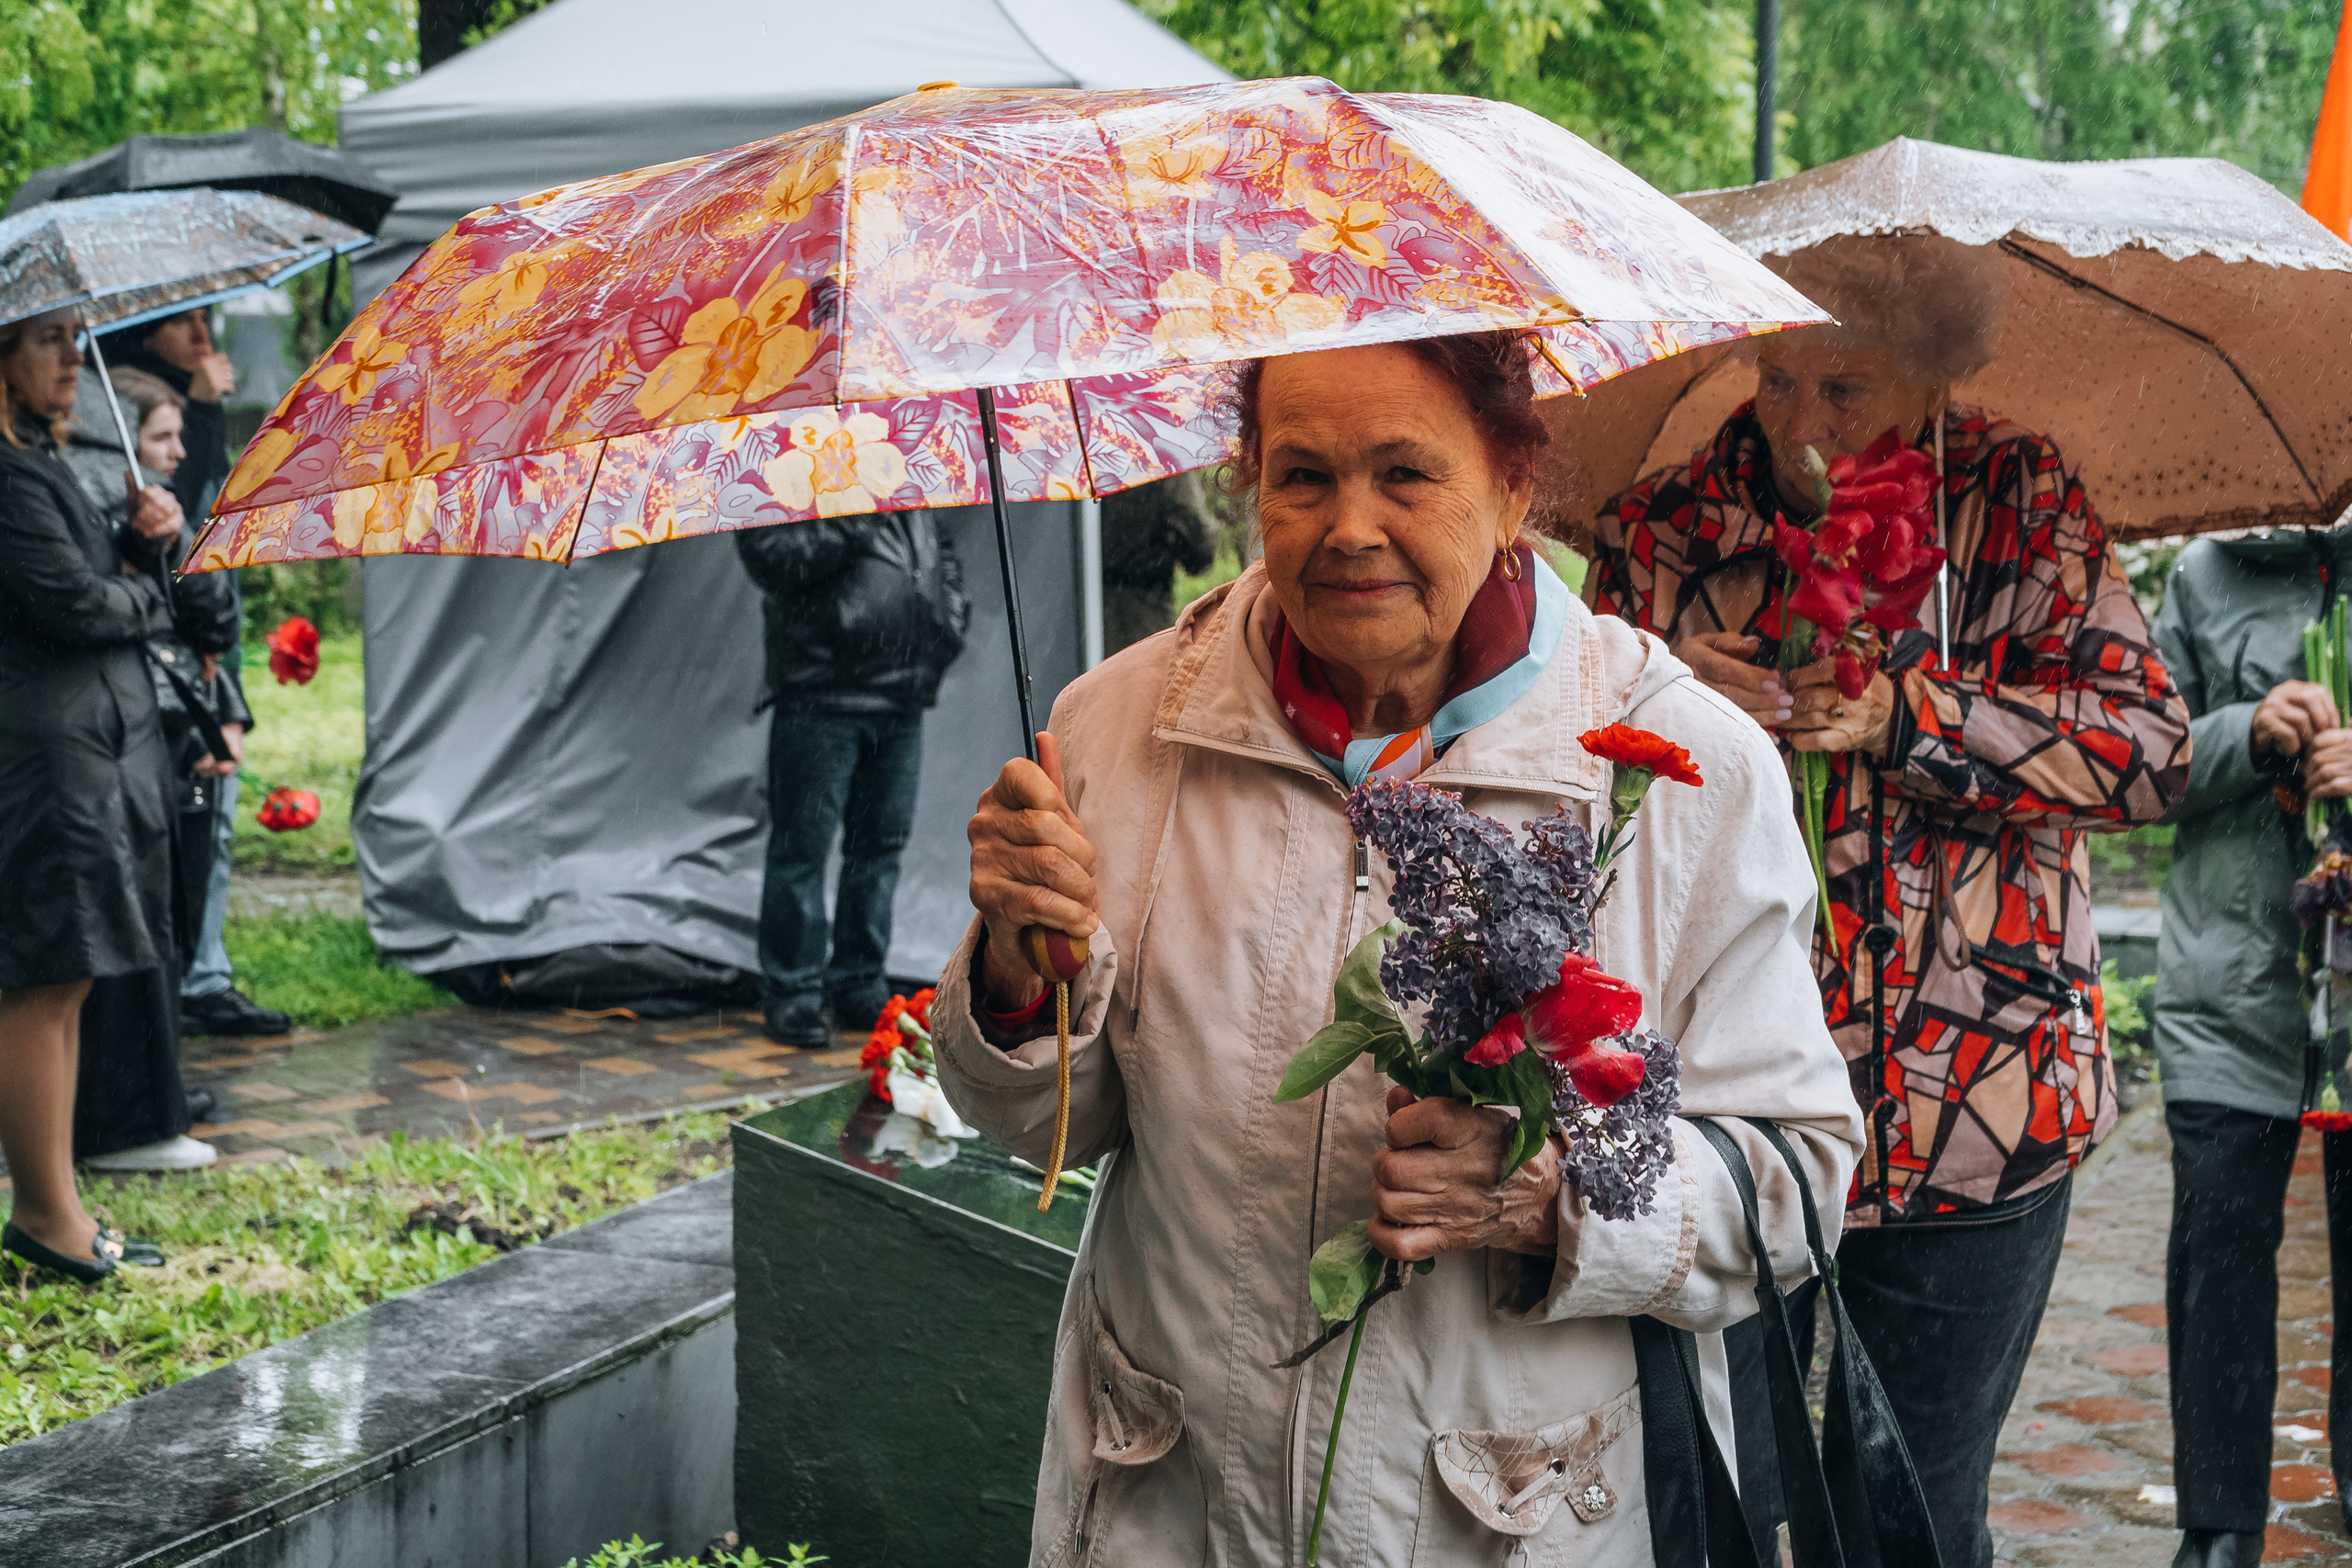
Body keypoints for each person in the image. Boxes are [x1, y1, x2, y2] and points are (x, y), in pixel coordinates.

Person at [936, 332, 1863, 1565]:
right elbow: (1054, 1122)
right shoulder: (1118, 725)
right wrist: (1012, 970)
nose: (1349, 526)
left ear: (1514, 487)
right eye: (1302, 475)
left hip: (1507, 1520)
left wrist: (1551, 1186)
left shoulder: (1686, 775)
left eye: (1406, 474)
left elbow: (1799, 1179)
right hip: (1168, 1503)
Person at [1584, 237, 2192, 1567]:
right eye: (1775, 375)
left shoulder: (2018, 498)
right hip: (1720, 1113)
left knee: (1907, 1516)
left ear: (1932, 377)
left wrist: (1906, 712)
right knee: (1700, 1499)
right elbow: (1566, 796)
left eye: (1844, 387)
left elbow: (2148, 749)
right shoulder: (1659, 530)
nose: (1798, 422)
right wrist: (1651, 701)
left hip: (1975, 1097)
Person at [2149, 524, 2352, 1568]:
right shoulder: (2203, 573)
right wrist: (2246, 728)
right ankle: (2219, 1527)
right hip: (2231, 984)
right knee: (2219, 1263)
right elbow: (2137, 765)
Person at [0, 307, 180, 1279]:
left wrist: (147, 538)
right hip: (42, 758)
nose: (73, 358)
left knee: (65, 975)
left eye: (76, 340)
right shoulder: (7, 475)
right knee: (38, 980)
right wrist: (144, 592)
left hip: (82, 749)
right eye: (47, 341)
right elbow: (72, 606)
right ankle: (42, 1216)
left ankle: (56, 1207)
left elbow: (91, 584)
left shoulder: (37, 461)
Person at [102, 310, 286, 1038]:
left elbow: (204, 553)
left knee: (208, 821)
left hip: (201, 670)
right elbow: (202, 502)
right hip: (151, 689)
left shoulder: (169, 415)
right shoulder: (130, 446)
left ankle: (199, 974)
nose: (204, 336)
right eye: (186, 322)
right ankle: (177, 990)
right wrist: (204, 410)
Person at [736, 507, 969, 1045]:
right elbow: (772, 560)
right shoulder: (792, 469)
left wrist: (948, 620)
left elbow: (941, 560)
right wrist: (858, 513)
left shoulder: (900, 468)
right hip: (821, 696)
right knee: (802, 851)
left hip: (903, 698)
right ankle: (793, 992)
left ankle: (859, 982)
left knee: (881, 849)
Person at [1100, 471, 1219, 653]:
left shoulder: (1073, 461)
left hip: (1076, 614)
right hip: (1144, 617)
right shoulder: (1157, 461)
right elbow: (1200, 547)